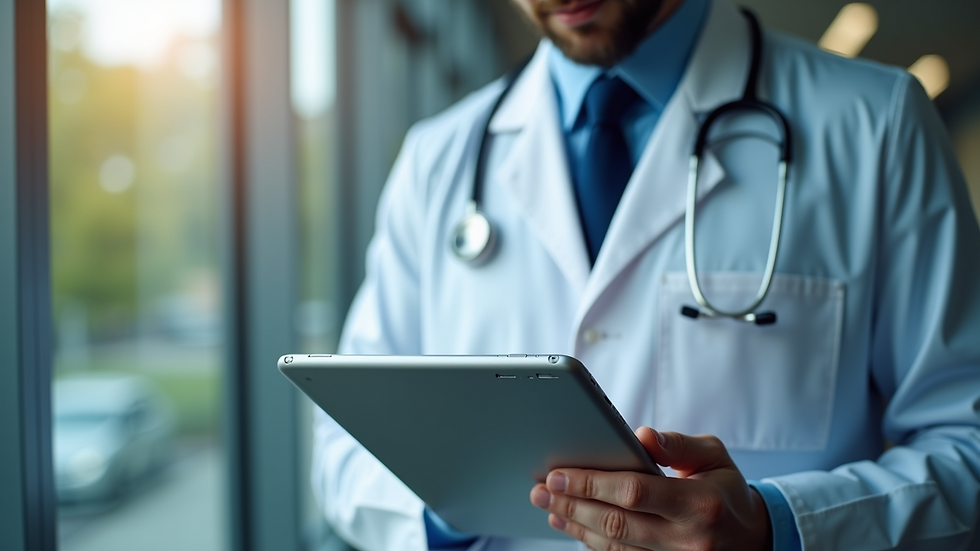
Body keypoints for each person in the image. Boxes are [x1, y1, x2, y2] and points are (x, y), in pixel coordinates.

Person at [312, 0, 980, 549]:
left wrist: (778, 523)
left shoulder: (875, 123)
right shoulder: (440, 159)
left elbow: (967, 446)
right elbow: (345, 451)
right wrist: (448, 503)